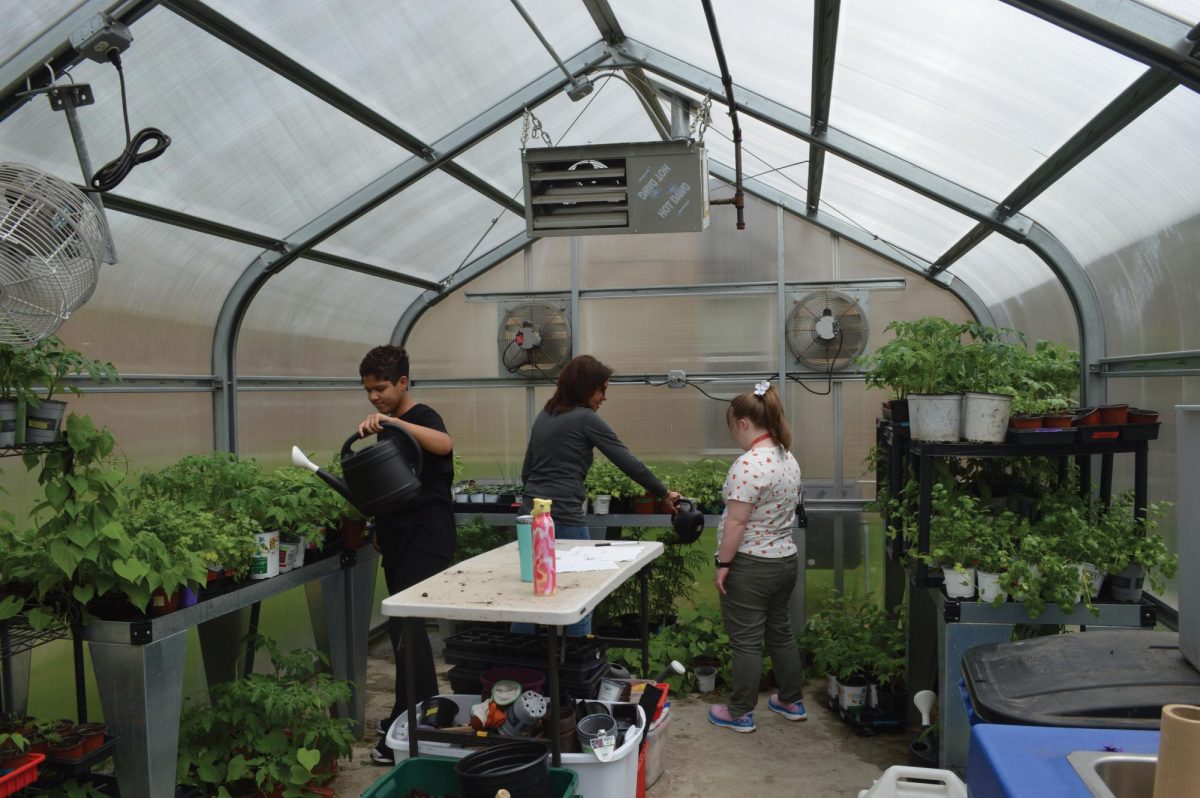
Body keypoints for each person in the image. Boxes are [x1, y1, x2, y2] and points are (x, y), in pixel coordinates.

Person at [516, 354, 681, 636]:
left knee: (529, 596)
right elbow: (627, 461)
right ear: (584, 387)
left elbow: (527, 471)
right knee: (579, 597)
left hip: (533, 516)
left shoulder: (544, 416)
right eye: (600, 389)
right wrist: (663, 492)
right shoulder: (585, 418)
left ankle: (516, 664)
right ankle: (577, 668)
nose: (604, 397)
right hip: (566, 517)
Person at [357, 345, 456, 765]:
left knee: (409, 636)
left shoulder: (420, 418)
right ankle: (420, 713)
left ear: (402, 383)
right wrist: (378, 526)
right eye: (368, 392)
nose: (374, 398)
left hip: (425, 539)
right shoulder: (388, 427)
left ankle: (408, 722)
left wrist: (394, 421)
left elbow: (444, 443)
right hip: (400, 538)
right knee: (404, 634)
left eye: (380, 389)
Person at [707, 380, 807, 733]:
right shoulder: (787, 457)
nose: (735, 434)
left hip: (751, 565)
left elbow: (736, 522)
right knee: (780, 632)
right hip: (784, 562)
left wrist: (724, 564)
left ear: (745, 423)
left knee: (746, 640)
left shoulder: (748, 464)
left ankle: (739, 713)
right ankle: (791, 700)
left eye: (734, 427)